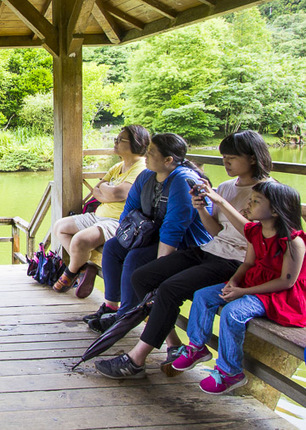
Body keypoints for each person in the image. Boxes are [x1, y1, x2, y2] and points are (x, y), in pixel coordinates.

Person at [94, 130, 272, 379]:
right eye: (224, 157)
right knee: (143, 276)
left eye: (232, 157)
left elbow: (259, 237)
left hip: (238, 262)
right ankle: (173, 343)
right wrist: (201, 209)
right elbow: (216, 231)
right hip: (209, 250)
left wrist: (220, 202)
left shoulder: (267, 191)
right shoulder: (228, 187)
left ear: (252, 158)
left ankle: (136, 359)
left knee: (168, 288)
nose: (226, 162)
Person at [168, 181, 305, 395]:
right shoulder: (256, 232)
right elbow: (248, 263)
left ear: (277, 211)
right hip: (252, 282)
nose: (249, 204)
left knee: (233, 312)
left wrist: (242, 292)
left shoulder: (292, 242)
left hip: (277, 293)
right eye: (250, 199)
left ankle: (229, 371)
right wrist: (234, 281)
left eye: (256, 201)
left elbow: (286, 282)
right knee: (203, 295)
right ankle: (196, 347)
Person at [85, 133, 212, 333]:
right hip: (152, 235)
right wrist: (125, 236)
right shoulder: (146, 176)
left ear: (168, 160)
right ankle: (111, 306)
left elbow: (174, 228)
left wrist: (160, 268)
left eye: (152, 152)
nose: (146, 155)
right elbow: (130, 210)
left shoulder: (182, 180)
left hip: (186, 245)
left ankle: (125, 317)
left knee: (135, 257)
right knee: (113, 247)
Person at [52, 125, 150, 298]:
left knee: (80, 240)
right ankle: (85, 267)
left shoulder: (141, 167)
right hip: (99, 215)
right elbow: (97, 190)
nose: (116, 143)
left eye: (121, 140)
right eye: (116, 139)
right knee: (60, 227)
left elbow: (119, 193)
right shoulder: (118, 166)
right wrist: (108, 193)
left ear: (137, 143)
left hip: (119, 221)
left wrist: (108, 192)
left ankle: (72, 271)